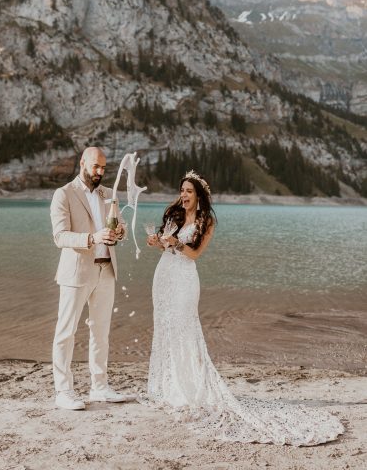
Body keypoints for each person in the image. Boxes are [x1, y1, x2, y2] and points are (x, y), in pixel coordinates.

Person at [146, 170, 344, 445]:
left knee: (185, 328)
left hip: (185, 280)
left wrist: (176, 242)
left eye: (189, 192)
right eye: (182, 191)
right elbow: (165, 247)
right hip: (164, 276)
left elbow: (194, 254)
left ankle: (189, 387)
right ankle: (171, 387)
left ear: (199, 195)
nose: (184, 195)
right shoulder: (174, 214)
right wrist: (158, 242)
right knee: (166, 327)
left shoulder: (207, 221)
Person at [50, 146, 130, 410]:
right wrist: (93, 238)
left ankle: (99, 387)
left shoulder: (109, 194)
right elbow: (60, 236)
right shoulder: (64, 194)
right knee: (66, 332)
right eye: (95, 166)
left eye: (103, 168)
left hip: (106, 270)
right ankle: (63, 391)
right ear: (82, 162)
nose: (99, 172)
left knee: (101, 332)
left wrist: (119, 234)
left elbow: (118, 231)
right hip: (76, 273)